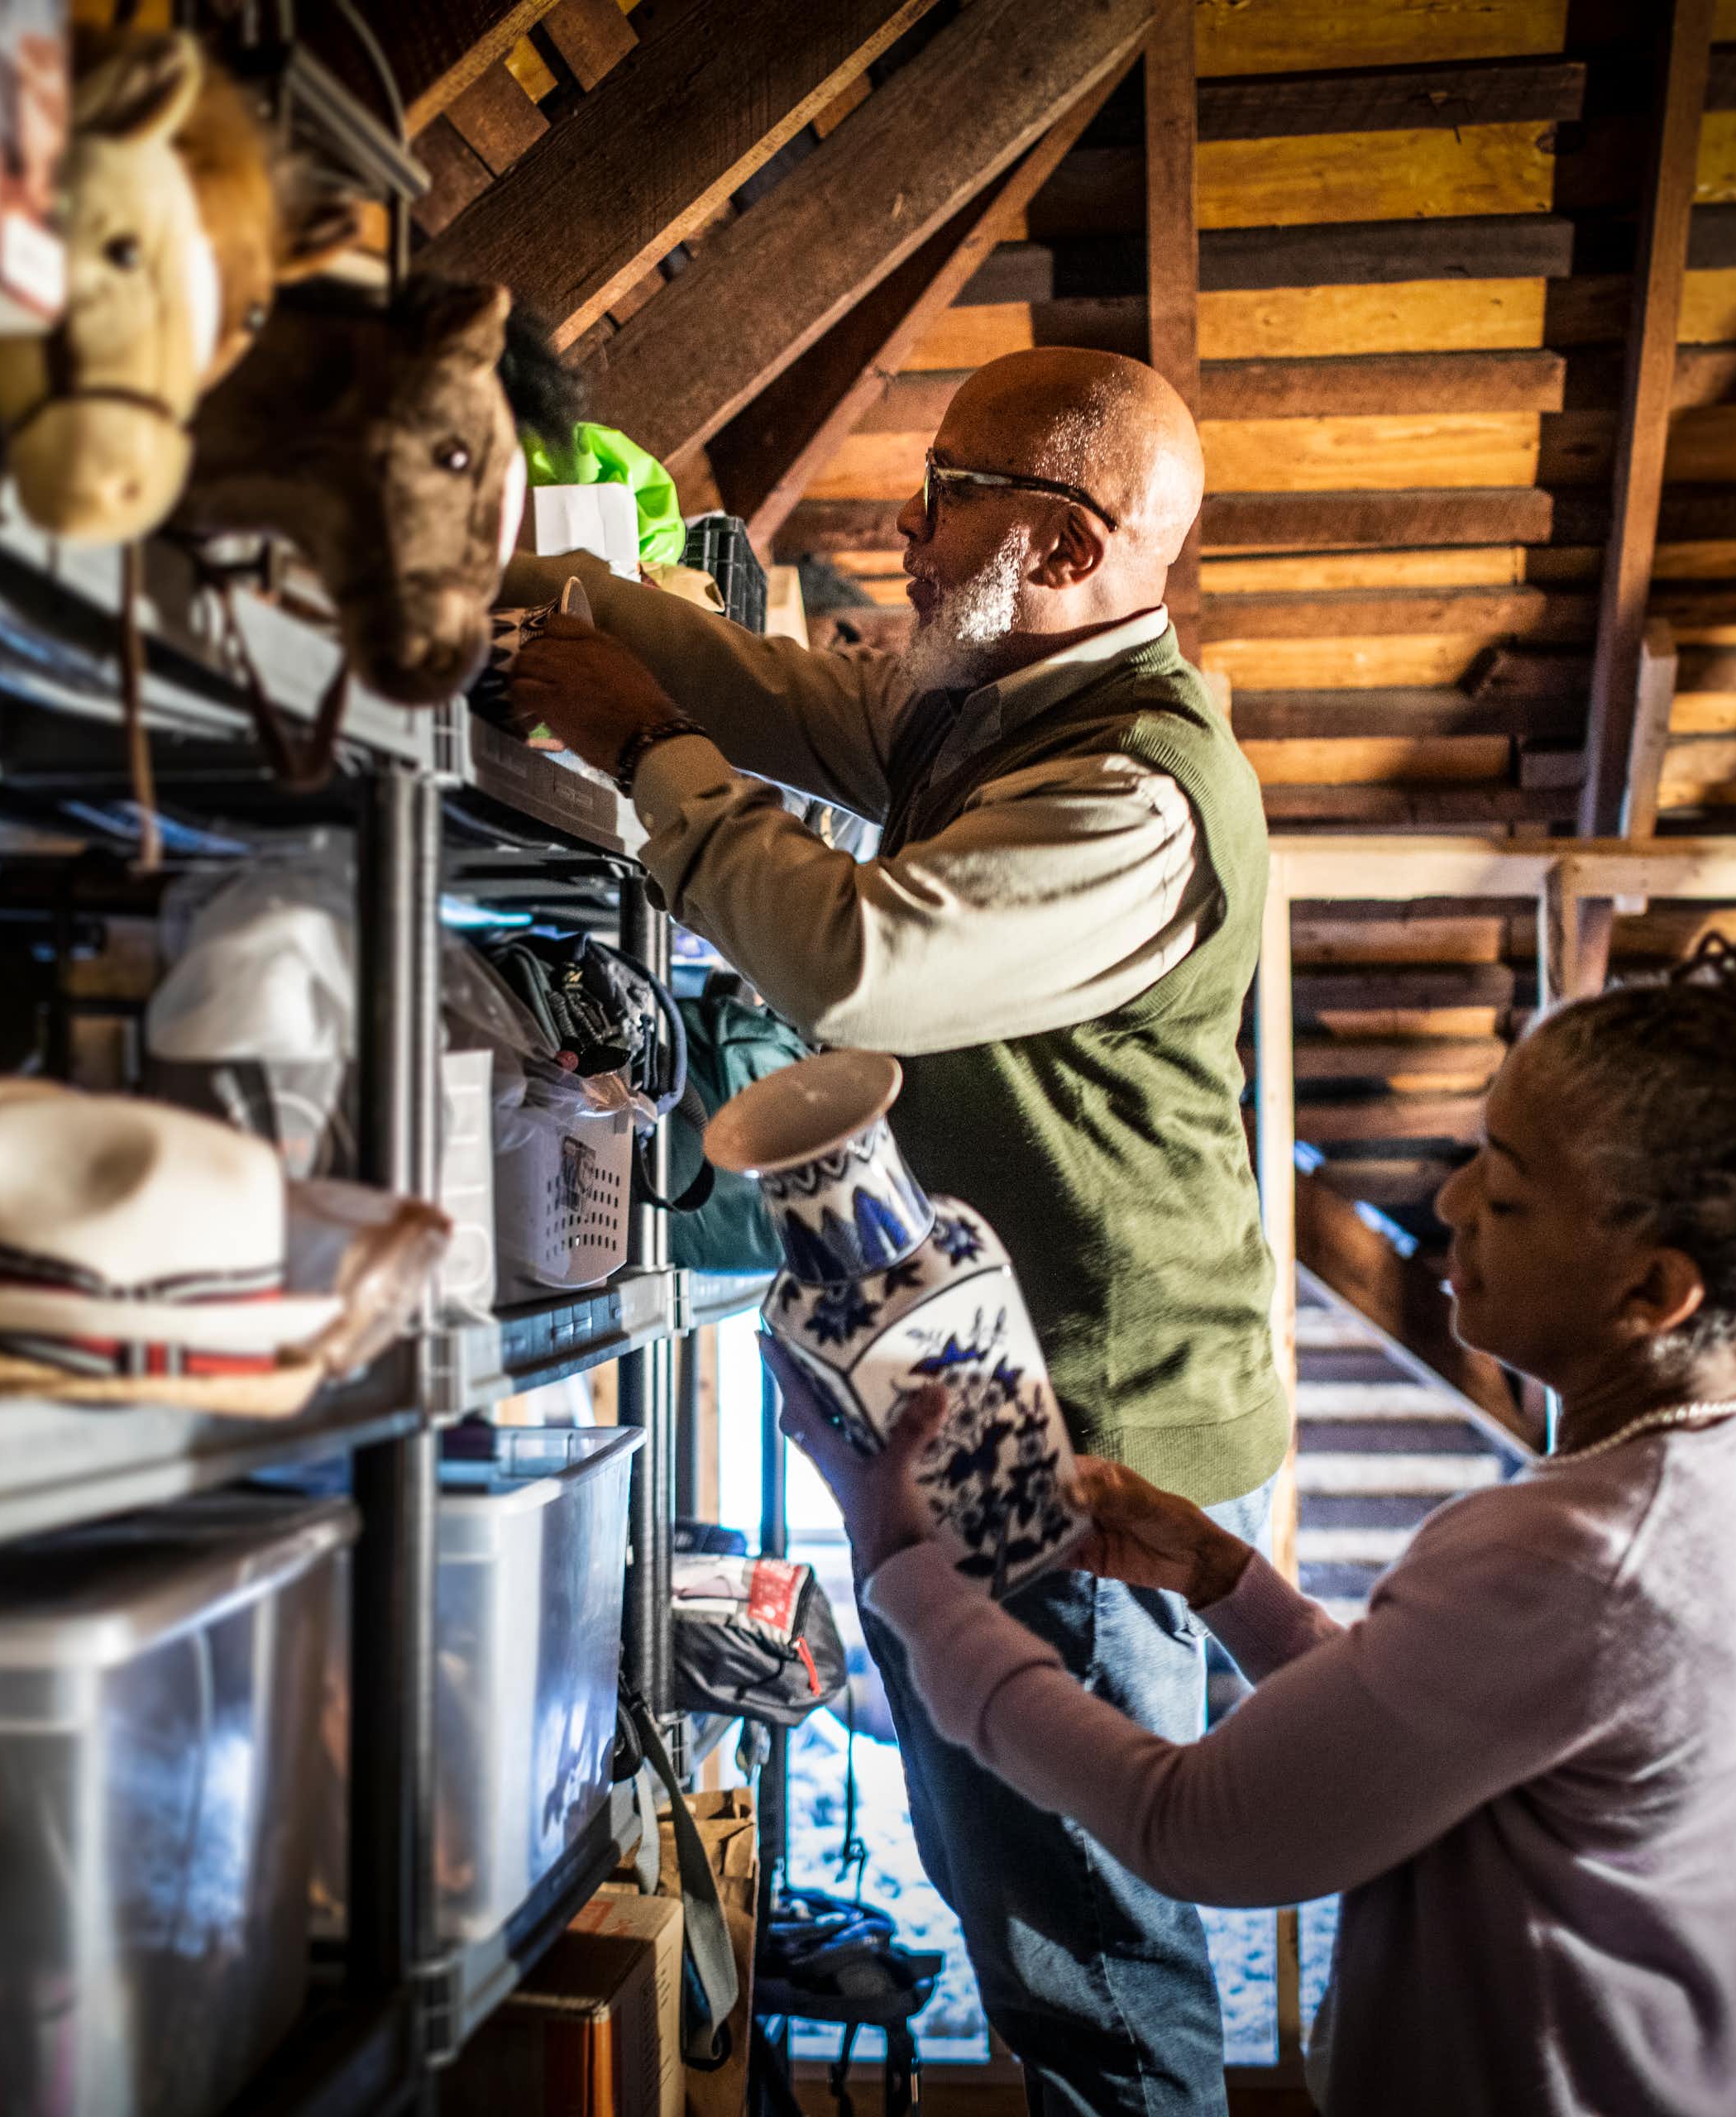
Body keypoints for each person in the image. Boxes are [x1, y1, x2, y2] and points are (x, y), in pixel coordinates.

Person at [769, 925, 1736, 2117]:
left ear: (1652, 1288)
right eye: (1480, 1148)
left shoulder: (1573, 1552)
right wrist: (1228, 1581)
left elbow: (1196, 1829)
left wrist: (905, 1572)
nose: (1455, 1202)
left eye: (1513, 1193)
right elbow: (1452, 1735)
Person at [509, 348, 1289, 2115]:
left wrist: (640, 742)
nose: (904, 528)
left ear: (1070, 540)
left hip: (1088, 1424)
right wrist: (542, 584)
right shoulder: (999, 693)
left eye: (948, 490)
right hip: (996, 1388)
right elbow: (777, 690)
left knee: (1081, 1934)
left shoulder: (1132, 793)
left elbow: (862, 960)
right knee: (1010, 1879)